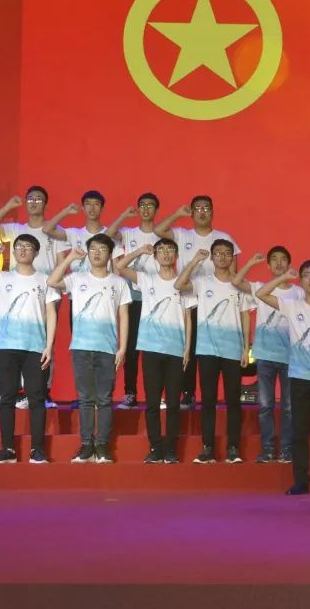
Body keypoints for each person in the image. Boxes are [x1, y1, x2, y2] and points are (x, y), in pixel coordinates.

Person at [256, 260, 310, 496]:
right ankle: (301, 481)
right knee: (300, 432)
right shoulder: (291, 306)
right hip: (299, 377)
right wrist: (283, 277)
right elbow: (261, 293)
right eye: (307, 275)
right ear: (301, 280)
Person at [0, 238, 58, 464]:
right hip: (7, 347)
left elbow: (52, 313)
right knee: (7, 398)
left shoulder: (45, 279)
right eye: (19, 247)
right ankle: (7, 449)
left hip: (36, 347)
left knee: (36, 398)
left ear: (36, 252)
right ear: (14, 252)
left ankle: (37, 450)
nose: (23, 250)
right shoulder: (1, 277)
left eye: (28, 247)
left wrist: (49, 345)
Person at [47, 234, 131, 464]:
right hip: (81, 347)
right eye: (92, 248)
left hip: (107, 349)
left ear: (110, 254)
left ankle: (102, 445)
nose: (96, 253)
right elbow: (52, 281)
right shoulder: (77, 278)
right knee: (85, 399)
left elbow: (124, 315)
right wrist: (69, 259)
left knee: (104, 399)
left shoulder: (119, 283)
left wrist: (122, 348)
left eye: (102, 249)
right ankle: (86, 445)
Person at [0, 187, 68, 408]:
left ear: (45, 204)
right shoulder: (16, 229)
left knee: (44, 342)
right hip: (16, 291)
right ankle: (21, 392)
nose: (33, 202)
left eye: (38, 199)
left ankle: (43, 391)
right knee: (18, 342)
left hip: (46, 291)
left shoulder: (54, 231)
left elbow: (61, 262)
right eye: (30, 199)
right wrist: (8, 207)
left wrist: (57, 289)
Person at [155, 196, 240, 410]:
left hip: (217, 302)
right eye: (198, 209)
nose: (202, 212)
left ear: (213, 212)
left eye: (206, 208)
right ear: (192, 212)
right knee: (188, 346)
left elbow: (233, 274)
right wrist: (178, 214)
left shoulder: (223, 238)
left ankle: (217, 394)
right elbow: (159, 230)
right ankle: (188, 392)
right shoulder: (183, 235)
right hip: (189, 299)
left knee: (213, 350)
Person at [115, 239, 194, 464]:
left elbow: (188, 318)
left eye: (170, 250)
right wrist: (140, 250)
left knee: (173, 403)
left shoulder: (184, 283)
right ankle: (155, 447)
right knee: (151, 403)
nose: (166, 254)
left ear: (176, 255)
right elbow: (119, 266)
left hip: (175, 350)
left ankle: (170, 449)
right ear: (156, 256)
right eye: (161, 250)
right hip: (150, 349)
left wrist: (187, 349)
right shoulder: (147, 279)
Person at [175, 240, 253, 464]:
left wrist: (246, 348)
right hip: (207, 349)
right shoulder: (202, 282)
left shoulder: (240, 284)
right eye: (217, 253)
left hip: (233, 350)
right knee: (208, 400)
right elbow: (179, 284)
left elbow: (246, 316)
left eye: (227, 253)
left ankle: (233, 449)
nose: (222, 257)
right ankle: (207, 448)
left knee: (233, 401)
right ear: (212, 257)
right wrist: (194, 261)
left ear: (232, 258)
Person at [232, 247, 301, 463]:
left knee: (289, 407)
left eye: (283, 259)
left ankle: (287, 450)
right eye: (275, 260)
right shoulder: (259, 288)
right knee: (265, 406)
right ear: (269, 265)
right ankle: (268, 449)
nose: (279, 263)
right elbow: (236, 281)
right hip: (265, 356)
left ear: (289, 263)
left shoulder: (298, 293)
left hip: (290, 358)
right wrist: (251, 262)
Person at [105, 193, 161, 409]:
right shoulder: (129, 234)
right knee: (130, 348)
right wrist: (123, 216)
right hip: (133, 296)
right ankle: (130, 393)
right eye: (142, 205)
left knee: (155, 348)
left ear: (156, 210)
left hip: (156, 297)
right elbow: (109, 234)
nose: (146, 209)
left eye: (150, 205)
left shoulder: (161, 234)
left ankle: (156, 395)